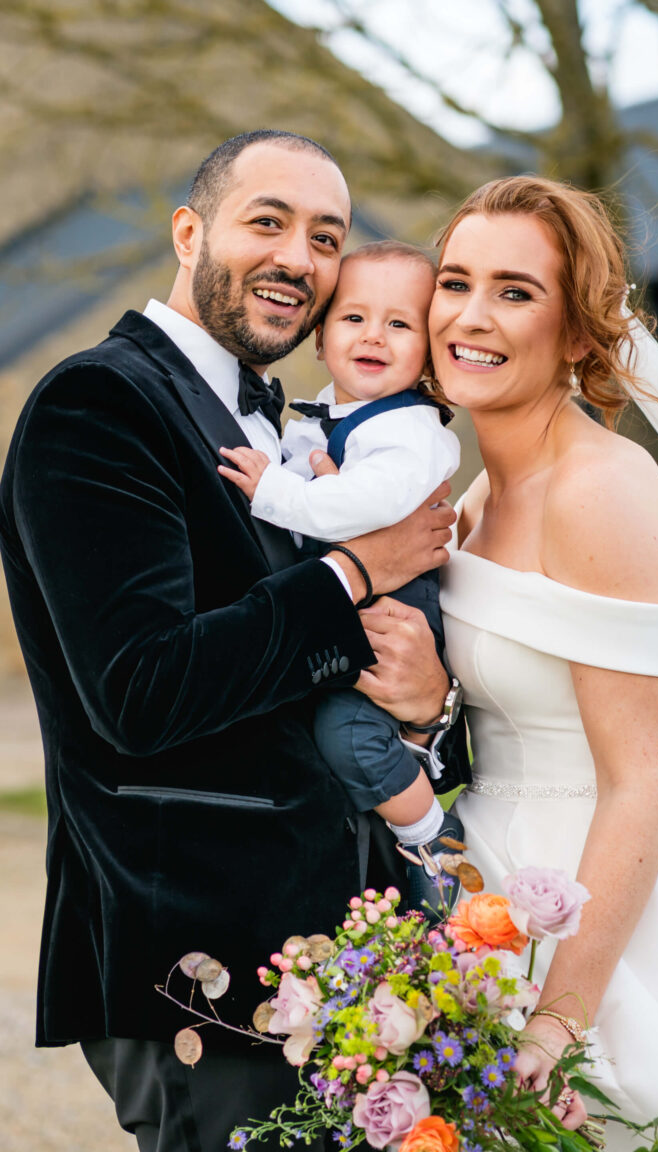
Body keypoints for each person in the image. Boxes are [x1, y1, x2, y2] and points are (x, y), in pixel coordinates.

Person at [0, 130, 469, 1152]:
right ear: (188, 232)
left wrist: (430, 699)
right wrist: (352, 572)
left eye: (326, 236)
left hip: (348, 961)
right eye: (268, 221)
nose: (299, 257)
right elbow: (142, 689)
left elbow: (331, 680)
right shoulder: (98, 405)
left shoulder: (314, 433)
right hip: (199, 955)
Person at [429, 175, 658, 1149]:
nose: (470, 317)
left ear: (581, 333)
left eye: (515, 291)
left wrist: (556, 1020)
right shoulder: (479, 491)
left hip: (600, 909)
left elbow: (646, 779)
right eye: (455, 282)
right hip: (484, 888)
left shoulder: (602, 494)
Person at [217, 240, 466, 919]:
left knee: (347, 735)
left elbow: (364, 507)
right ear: (320, 336)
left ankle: (434, 842)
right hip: (342, 612)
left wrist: (278, 493)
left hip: (389, 614)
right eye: (354, 318)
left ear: (429, 350)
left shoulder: (410, 432)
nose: (374, 337)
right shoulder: (331, 414)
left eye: (400, 323)